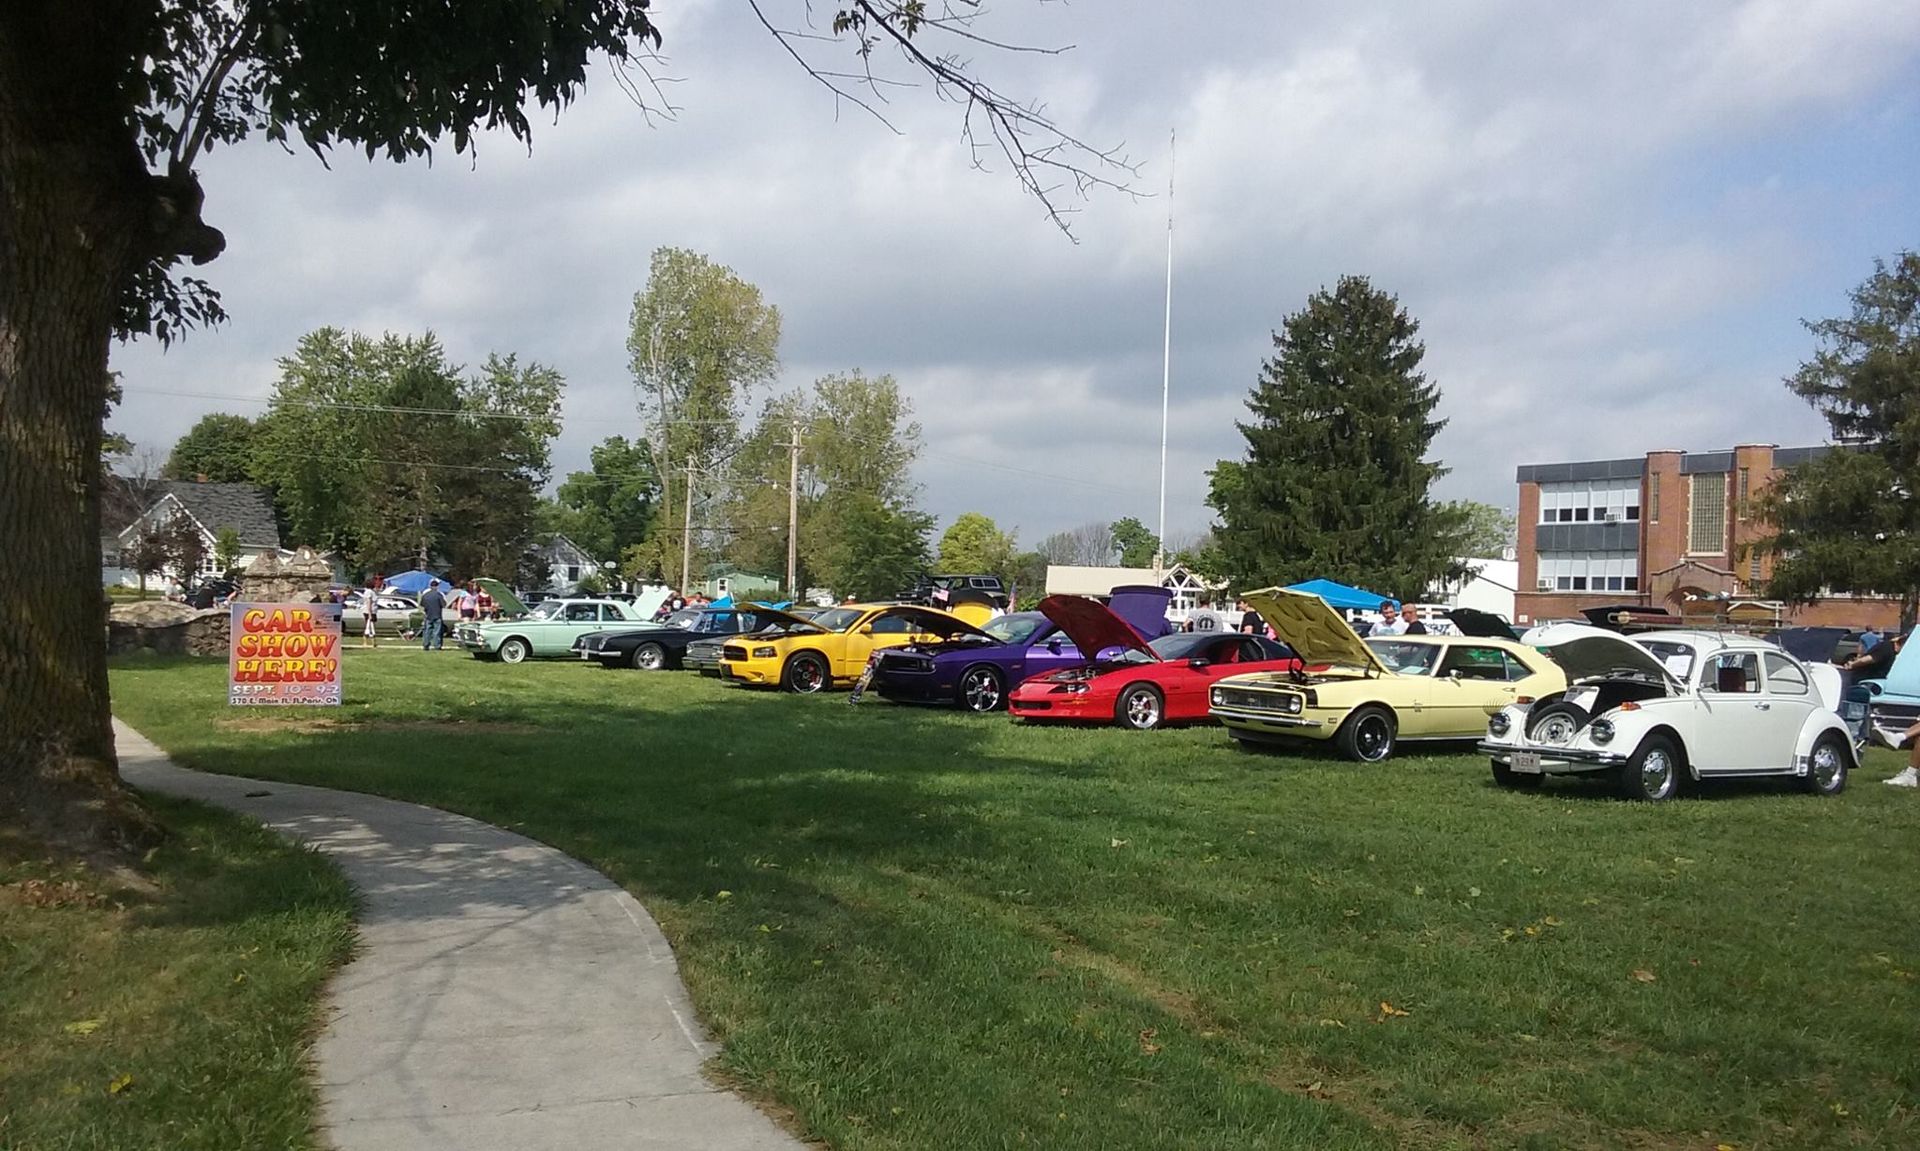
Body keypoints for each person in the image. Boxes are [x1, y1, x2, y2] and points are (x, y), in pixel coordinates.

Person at [420, 578, 448, 650]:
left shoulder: (425, 595)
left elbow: (422, 605)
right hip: (437, 615)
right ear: (437, 586)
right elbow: (444, 605)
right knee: (437, 632)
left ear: (430, 586)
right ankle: (437, 646)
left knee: (427, 631)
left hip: (428, 615)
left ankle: (426, 645)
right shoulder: (439, 595)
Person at [361, 577, 382, 649]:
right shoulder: (369, 592)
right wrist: (370, 614)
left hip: (373, 612)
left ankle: (374, 643)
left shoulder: (372, 591)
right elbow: (368, 603)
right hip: (369, 612)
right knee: (369, 627)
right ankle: (366, 642)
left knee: (372, 627)